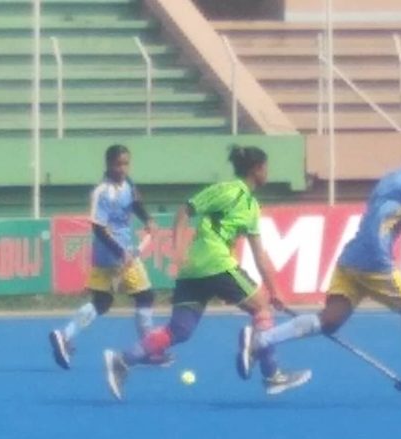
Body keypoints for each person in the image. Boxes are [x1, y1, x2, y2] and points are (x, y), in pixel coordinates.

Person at [237, 128, 401, 404]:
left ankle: (262, 340)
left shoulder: (390, 178)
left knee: (329, 321)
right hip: (375, 261)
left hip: (350, 257)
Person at [103, 146, 311, 399]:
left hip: (193, 271)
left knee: (179, 330)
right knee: (261, 308)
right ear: (257, 169)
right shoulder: (228, 191)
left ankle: (123, 359)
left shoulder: (251, 206)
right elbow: (185, 210)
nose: (268, 172)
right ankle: (271, 373)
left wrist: (275, 291)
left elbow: (260, 255)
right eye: (266, 167)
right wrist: (178, 247)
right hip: (215, 264)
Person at [49, 144, 168, 369]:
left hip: (106, 255)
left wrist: (148, 219)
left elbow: (136, 204)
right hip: (115, 250)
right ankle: (150, 349)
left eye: (126, 163)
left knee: (102, 302)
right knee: (146, 296)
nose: (123, 168)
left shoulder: (129, 184)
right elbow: (97, 227)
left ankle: (65, 335)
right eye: (118, 164)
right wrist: (120, 252)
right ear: (108, 164)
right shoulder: (102, 192)